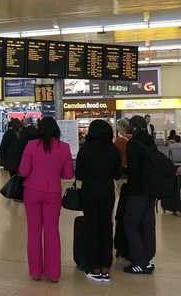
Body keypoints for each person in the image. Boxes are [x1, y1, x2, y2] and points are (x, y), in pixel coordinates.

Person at [19, 117, 74, 283]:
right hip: (53, 193)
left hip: (32, 191)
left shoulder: (31, 145)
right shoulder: (64, 147)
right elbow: (69, 174)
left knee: (34, 231)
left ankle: (35, 272)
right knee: (52, 232)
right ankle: (53, 273)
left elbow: (22, 171)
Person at [75, 120, 122, 282]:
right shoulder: (113, 149)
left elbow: (79, 174)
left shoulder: (86, 149)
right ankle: (105, 266)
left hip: (89, 192)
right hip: (107, 192)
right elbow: (117, 174)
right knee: (106, 226)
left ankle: (93, 266)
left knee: (91, 226)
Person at [123, 115, 157, 274]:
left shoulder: (133, 143)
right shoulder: (150, 141)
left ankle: (140, 262)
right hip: (151, 189)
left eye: (130, 125)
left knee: (130, 224)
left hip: (137, 190)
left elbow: (133, 169)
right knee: (148, 224)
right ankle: (149, 258)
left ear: (134, 126)